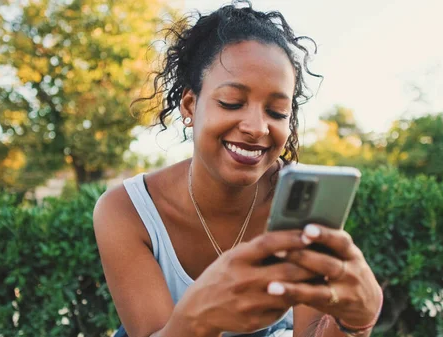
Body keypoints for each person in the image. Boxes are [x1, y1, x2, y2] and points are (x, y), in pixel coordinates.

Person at [93, 1, 383, 336]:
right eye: (232, 102)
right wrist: (198, 317)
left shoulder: (300, 199)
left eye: (277, 112)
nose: (258, 127)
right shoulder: (127, 210)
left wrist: (356, 320)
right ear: (190, 105)